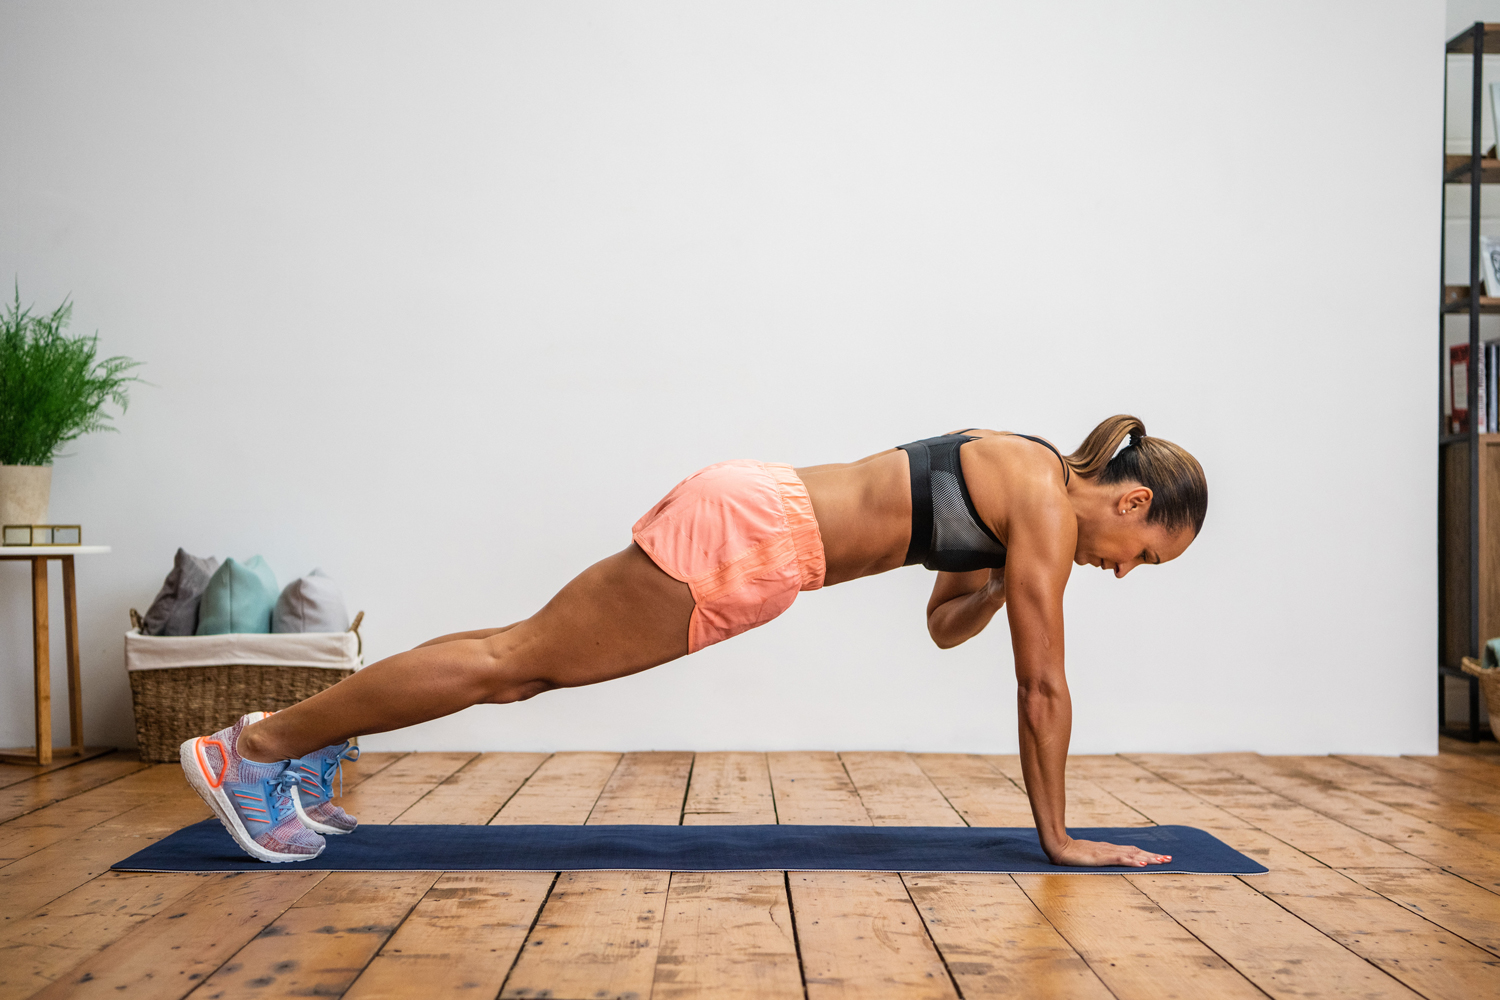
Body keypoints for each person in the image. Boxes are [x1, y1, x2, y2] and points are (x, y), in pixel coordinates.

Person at [181, 414, 1207, 866]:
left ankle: (293, 748)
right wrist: (1057, 837)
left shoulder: (1024, 483)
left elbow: (944, 627)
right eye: (1144, 556)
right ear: (1131, 501)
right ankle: (254, 750)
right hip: (758, 537)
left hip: (760, 530)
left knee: (519, 664)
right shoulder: (1042, 499)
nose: (1122, 572)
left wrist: (995, 587)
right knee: (514, 664)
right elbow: (1042, 689)